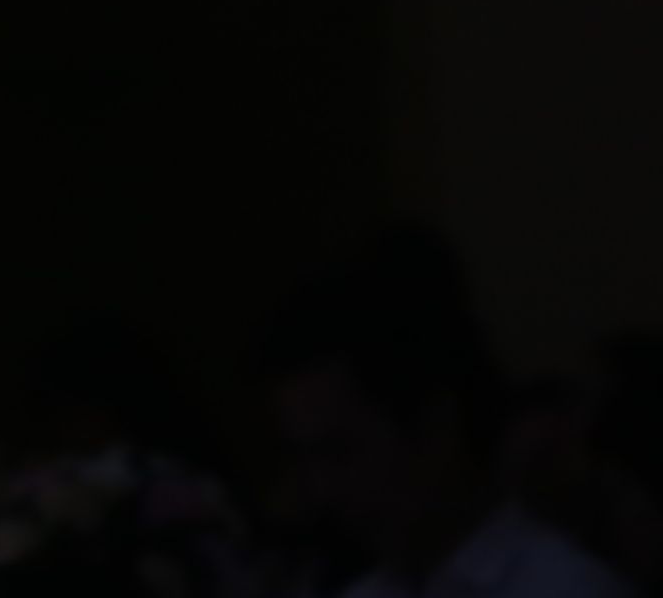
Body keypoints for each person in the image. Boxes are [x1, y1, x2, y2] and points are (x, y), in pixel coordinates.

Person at [263, 240, 628, 598]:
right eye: (308, 459)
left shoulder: (569, 588)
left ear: (434, 427)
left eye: (341, 452)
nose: (323, 490)